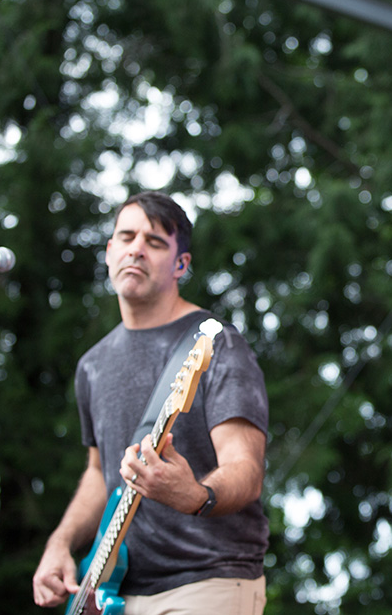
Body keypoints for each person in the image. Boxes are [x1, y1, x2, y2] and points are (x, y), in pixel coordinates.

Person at [33, 191, 269, 614]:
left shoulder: (215, 341)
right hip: (113, 593)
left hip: (205, 580)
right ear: (109, 252)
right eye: (126, 237)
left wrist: (196, 494)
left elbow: (246, 469)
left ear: (182, 264)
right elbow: (98, 473)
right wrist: (60, 543)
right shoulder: (92, 365)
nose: (136, 249)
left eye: (155, 242)